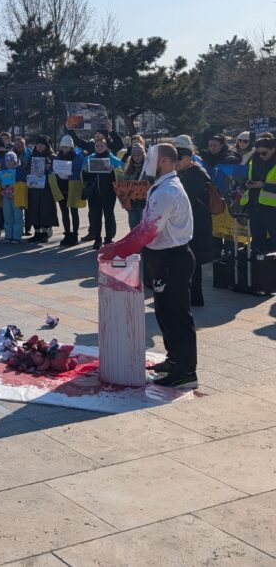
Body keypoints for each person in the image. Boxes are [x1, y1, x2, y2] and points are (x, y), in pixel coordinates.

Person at [100, 144, 198, 388]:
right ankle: (174, 359)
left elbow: (147, 231)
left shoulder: (167, 191)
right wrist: (118, 244)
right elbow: (144, 225)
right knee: (164, 313)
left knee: (177, 315)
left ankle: (186, 371)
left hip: (172, 258)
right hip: (162, 257)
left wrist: (117, 251)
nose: (147, 164)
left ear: (165, 161)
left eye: (151, 159)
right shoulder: (162, 186)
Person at [174, 142, 214, 307]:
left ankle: (195, 297)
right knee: (190, 259)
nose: (176, 162)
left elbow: (186, 198)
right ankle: (192, 296)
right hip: (192, 221)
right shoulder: (186, 172)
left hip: (197, 223)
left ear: (189, 158)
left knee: (193, 260)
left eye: (179, 159)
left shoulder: (195, 174)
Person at [80, 136, 123, 250]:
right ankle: (97, 240)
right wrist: (85, 171)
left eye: (101, 146)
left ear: (106, 146)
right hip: (93, 194)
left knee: (109, 216)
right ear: (94, 147)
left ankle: (108, 239)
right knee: (95, 217)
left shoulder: (112, 159)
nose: (99, 148)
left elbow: (121, 174)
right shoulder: (89, 159)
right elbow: (84, 178)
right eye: (97, 146)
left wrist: (112, 171)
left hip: (108, 194)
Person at [240, 136, 276, 254]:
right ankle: (259, 270)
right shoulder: (254, 160)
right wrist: (246, 183)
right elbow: (246, 178)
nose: (261, 155)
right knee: (257, 243)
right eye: (258, 152)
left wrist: (264, 185)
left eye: (264, 153)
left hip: (272, 209)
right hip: (255, 207)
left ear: (273, 149)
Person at [22, 135, 60, 244]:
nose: (39, 146)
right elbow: (24, 169)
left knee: (46, 210)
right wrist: (28, 175)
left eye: (42, 144)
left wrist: (50, 169)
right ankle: (37, 232)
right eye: (38, 144)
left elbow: (58, 172)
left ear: (47, 146)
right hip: (33, 188)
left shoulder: (52, 157)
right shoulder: (31, 157)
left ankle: (45, 233)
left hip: (47, 189)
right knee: (34, 210)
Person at [54, 135, 85, 246]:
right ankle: (67, 234)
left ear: (71, 147)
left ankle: (75, 235)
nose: (65, 149)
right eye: (63, 147)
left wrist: (69, 174)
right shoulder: (58, 156)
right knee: (64, 213)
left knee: (74, 211)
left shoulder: (77, 157)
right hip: (62, 187)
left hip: (73, 186)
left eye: (67, 147)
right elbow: (55, 169)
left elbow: (79, 170)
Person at [0, 152, 24, 244]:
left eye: (12, 161)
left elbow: (24, 183)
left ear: (15, 161)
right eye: (7, 161)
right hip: (6, 198)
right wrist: (1, 185)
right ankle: (8, 236)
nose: (9, 163)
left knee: (18, 217)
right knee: (7, 216)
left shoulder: (19, 171)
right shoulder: (2, 171)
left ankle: (16, 236)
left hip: (17, 197)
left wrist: (14, 185)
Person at [122, 144, 148, 229]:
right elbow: (124, 187)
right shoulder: (128, 169)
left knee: (143, 230)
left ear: (143, 155)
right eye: (134, 155)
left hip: (144, 205)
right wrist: (124, 202)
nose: (137, 157)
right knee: (133, 230)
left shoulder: (149, 169)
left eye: (139, 155)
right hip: (132, 205)